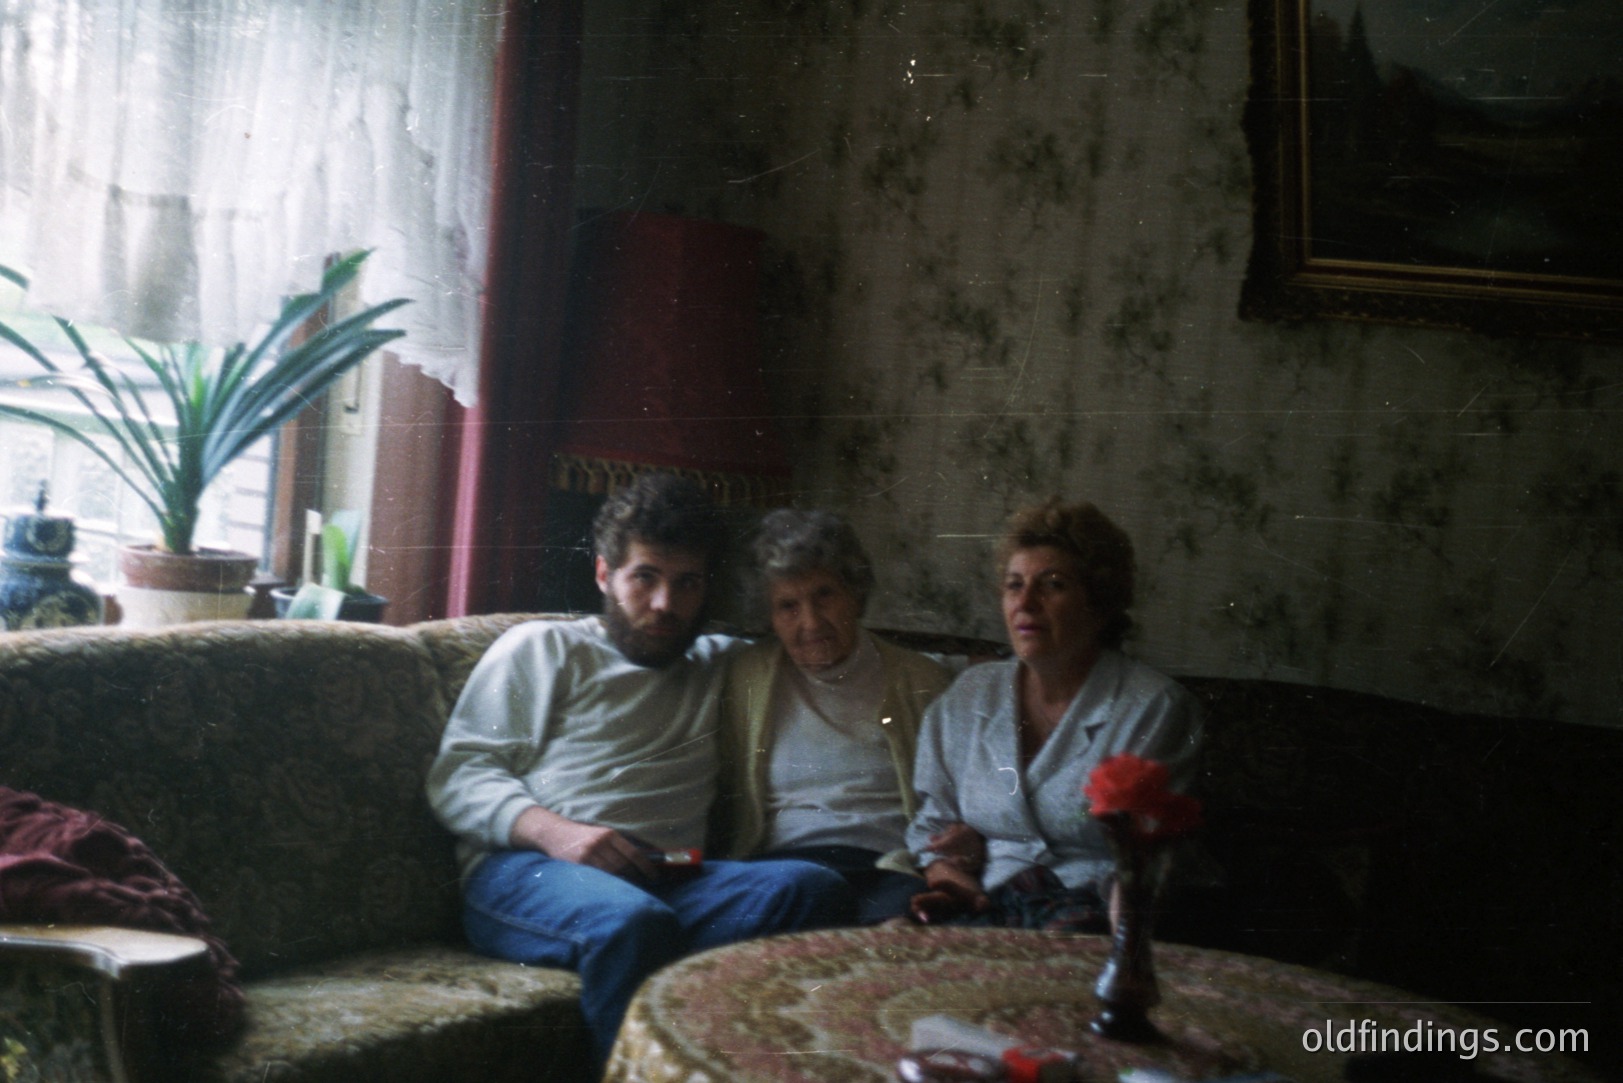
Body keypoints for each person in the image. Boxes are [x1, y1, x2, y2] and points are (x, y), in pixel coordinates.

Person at [425, 474, 850, 1064]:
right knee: (631, 925)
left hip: (670, 878)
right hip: (528, 871)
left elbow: (831, 651)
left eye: (687, 584)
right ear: (605, 575)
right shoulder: (544, 648)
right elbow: (460, 774)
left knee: (812, 889)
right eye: (645, 578)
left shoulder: (720, 665)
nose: (665, 605)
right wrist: (561, 834)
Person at [903, 498, 1202, 931]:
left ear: (1099, 603)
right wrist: (948, 873)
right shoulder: (968, 696)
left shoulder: (1154, 708)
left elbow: (1151, 857)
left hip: (1094, 912)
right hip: (986, 905)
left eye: (1053, 585)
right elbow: (932, 826)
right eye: (1014, 585)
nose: (1026, 603)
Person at [714, 508, 961, 923]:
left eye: (824, 594)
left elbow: (957, 801)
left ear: (855, 592)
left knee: (902, 929)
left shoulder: (923, 680)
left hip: (885, 870)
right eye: (788, 606)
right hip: (781, 873)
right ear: (770, 617)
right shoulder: (744, 678)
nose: (810, 622)